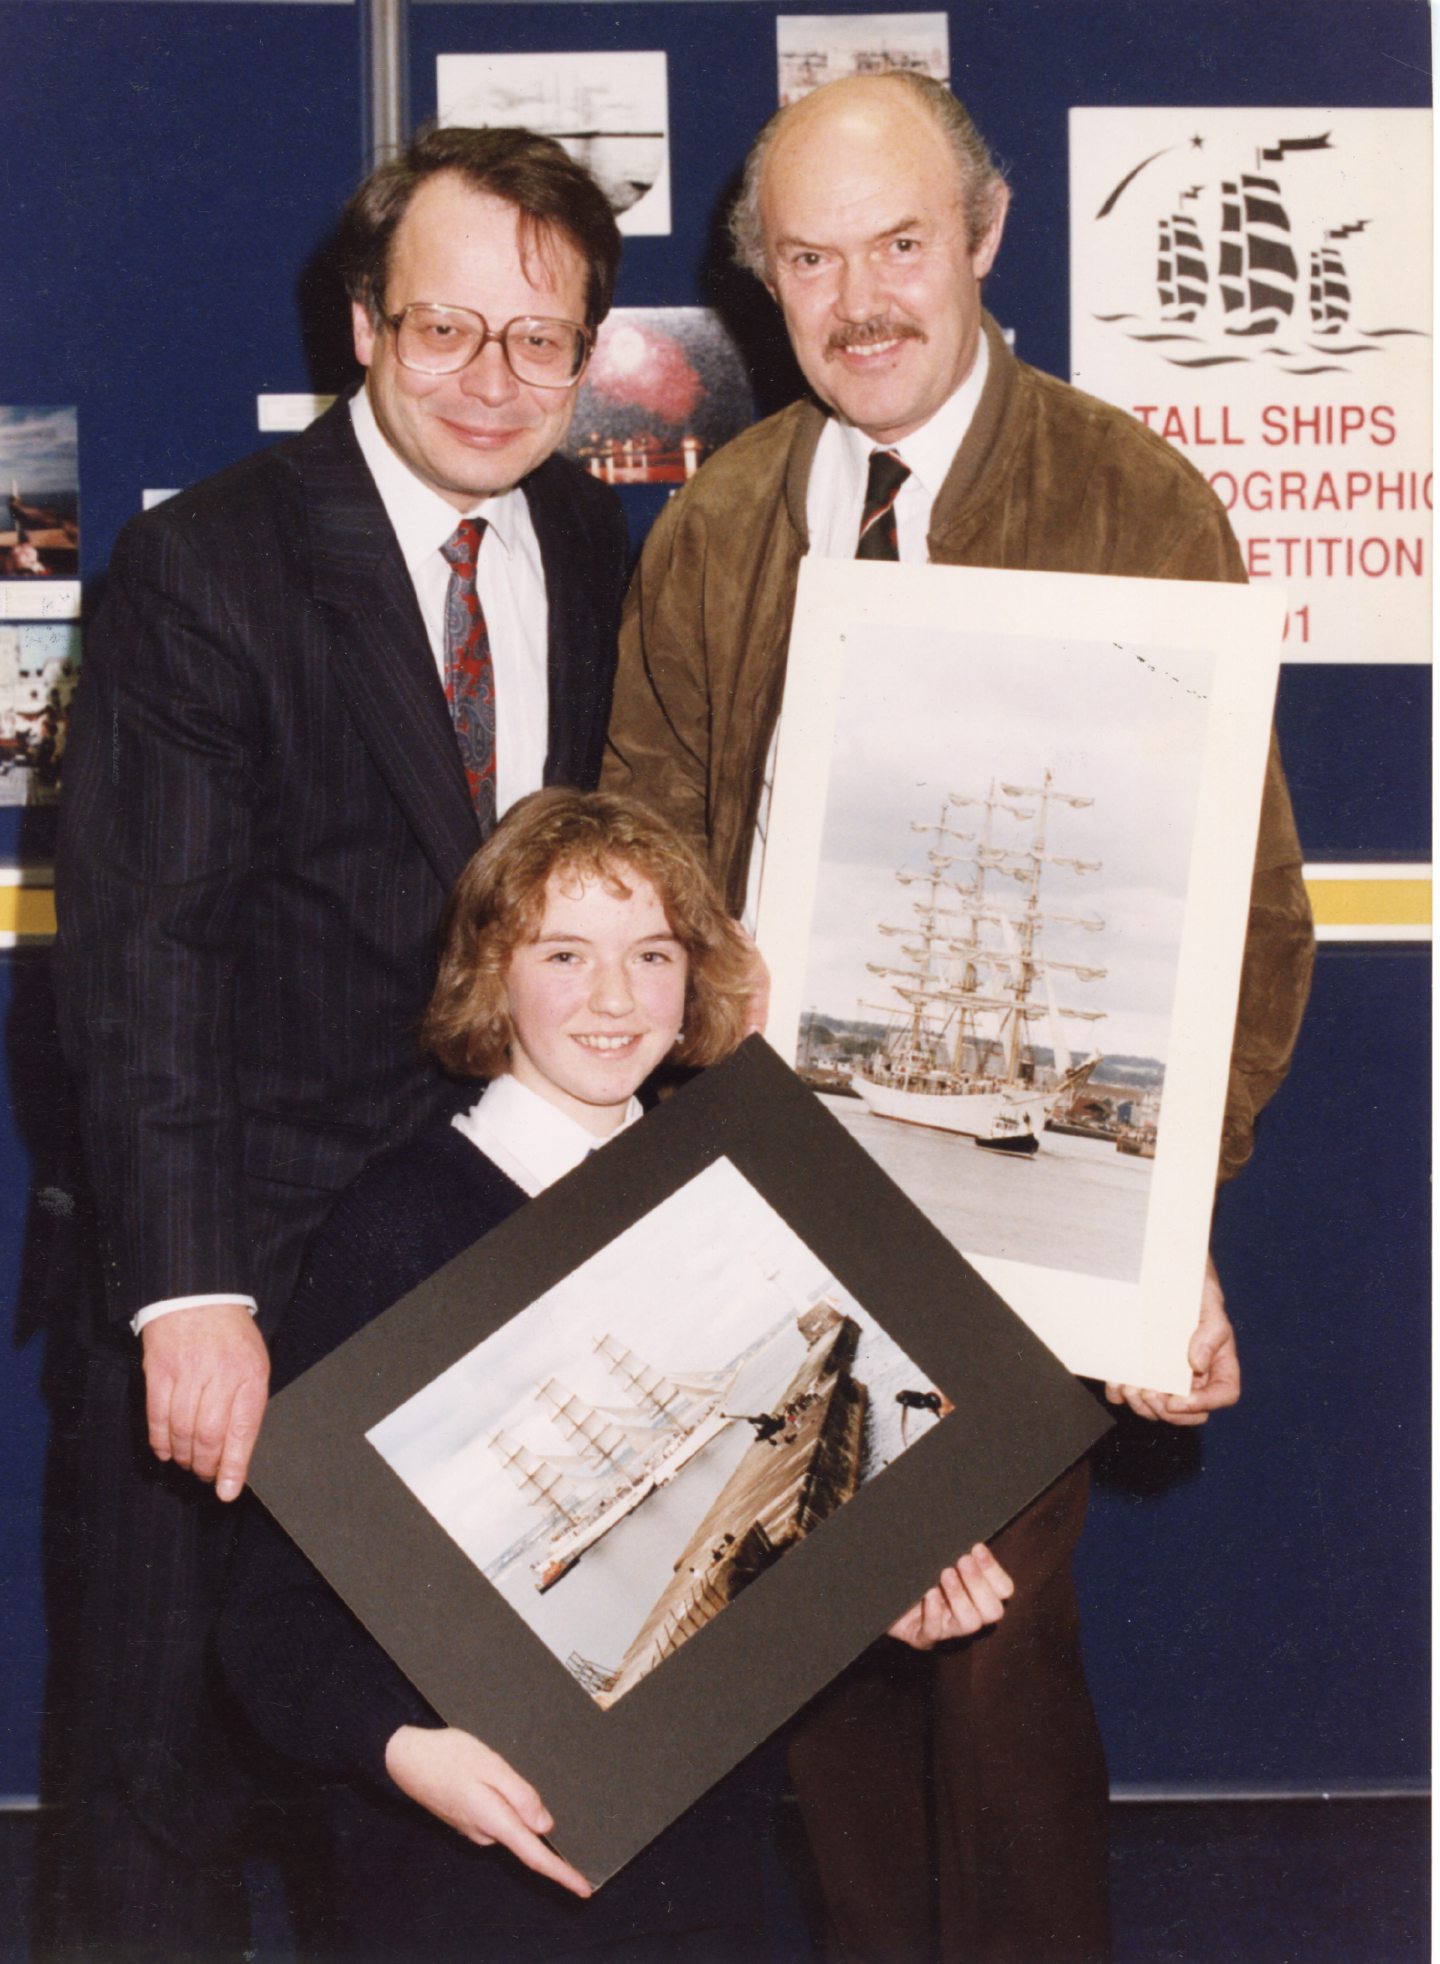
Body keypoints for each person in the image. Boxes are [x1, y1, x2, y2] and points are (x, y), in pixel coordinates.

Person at [603, 72, 1315, 1962]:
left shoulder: (1131, 497)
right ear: (763, 282)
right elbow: (652, 891)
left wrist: (1170, 1230)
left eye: (901, 245)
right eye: (811, 259)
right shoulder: (720, 524)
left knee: (996, 1667)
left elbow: (1240, 910)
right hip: (785, 1218)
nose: (860, 302)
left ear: (986, 239)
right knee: (826, 1687)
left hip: (1040, 1225)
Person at [51, 126, 628, 1950]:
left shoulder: (591, 533)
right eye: (446, 327)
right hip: (244, 1270)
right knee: (166, 1771)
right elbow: (145, 956)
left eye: (539, 340)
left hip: (487, 1266)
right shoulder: (210, 565)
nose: (491, 378)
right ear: (365, 326)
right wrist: (188, 1288)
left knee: (440, 1777)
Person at [216, 786, 1012, 1958]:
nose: (613, 997)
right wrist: (407, 1750)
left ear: (695, 979)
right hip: (461, 1861)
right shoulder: (398, 1226)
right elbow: (266, 1623)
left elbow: (757, 1547)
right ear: (492, 974)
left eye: (652, 953)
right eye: (564, 952)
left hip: (695, 1855)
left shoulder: (736, 1205)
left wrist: (879, 1585)